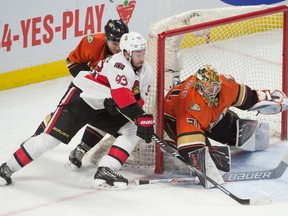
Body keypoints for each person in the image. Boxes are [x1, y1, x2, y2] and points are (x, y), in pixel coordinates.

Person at [0, 32, 154, 189]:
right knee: (50, 139)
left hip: (104, 105)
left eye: (142, 52)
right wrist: (139, 116)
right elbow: (123, 97)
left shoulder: (146, 70)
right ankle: (6, 169)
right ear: (127, 53)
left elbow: (137, 99)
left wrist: (139, 119)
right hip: (82, 99)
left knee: (133, 129)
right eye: (137, 53)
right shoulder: (118, 64)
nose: (141, 58)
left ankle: (106, 171)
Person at [25, 19, 129, 170]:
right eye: (115, 43)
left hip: (114, 89)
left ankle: (81, 149)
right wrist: (90, 82)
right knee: (64, 115)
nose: (119, 47)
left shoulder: (131, 50)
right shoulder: (93, 43)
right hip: (90, 85)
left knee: (108, 117)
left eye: (122, 42)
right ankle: (35, 139)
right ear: (106, 39)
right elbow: (72, 62)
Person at [163, 65, 288, 188]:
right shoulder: (190, 106)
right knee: (210, 161)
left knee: (238, 132)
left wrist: (264, 99)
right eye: (209, 89)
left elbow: (248, 98)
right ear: (199, 87)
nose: (214, 91)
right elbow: (190, 146)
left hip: (209, 115)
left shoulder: (225, 84)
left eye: (215, 86)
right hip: (174, 120)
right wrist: (202, 165)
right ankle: (171, 139)